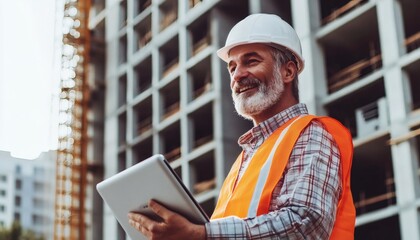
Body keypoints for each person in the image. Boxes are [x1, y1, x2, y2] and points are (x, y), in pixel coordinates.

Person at [128, 13, 356, 239]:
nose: (237, 75)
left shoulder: (311, 134)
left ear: (288, 71)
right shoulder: (246, 160)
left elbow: (305, 224)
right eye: (232, 67)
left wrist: (200, 234)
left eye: (251, 61)